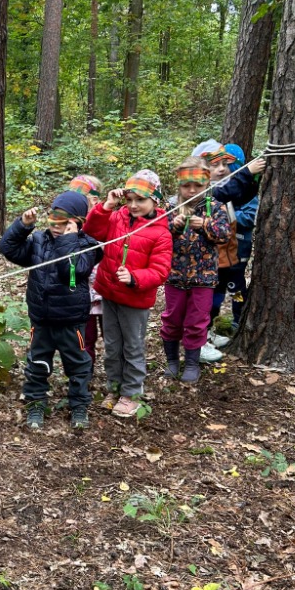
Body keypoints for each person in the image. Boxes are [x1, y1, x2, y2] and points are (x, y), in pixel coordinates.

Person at [0, 191, 101, 430]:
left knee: (77, 364)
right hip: (41, 318)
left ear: (77, 224)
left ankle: (78, 405)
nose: (57, 226)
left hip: (70, 320)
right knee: (37, 362)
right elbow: (8, 249)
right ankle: (36, 402)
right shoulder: (38, 242)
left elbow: (70, 271)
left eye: (64, 222)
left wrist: (68, 239)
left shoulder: (88, 246)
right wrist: (22, 226)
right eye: (54, 219)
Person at [84, 170, 172, 419]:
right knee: (112, 345)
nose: (133, 205)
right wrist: (106, 206)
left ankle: (131, 393)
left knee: (132, 346)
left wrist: (135, 278)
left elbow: (160, 270)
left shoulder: (160, 232)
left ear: (155, 200)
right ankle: (114, 388)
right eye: (129, 199)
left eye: (140, 200)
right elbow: (92, 231)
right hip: (109, 293)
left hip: (135, 299)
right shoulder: (117, 217)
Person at [160, 158, 231, 384]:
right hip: (174, 277)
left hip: (204, 278)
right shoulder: (170, 209)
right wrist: (175, 226)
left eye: (197, 186)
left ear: (207, 183)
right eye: (186, 185)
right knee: (172, 319)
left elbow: (224, 235)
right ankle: (172, 360)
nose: (192, 190)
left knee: (197, 320)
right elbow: (159, 238)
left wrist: (206, 226)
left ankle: (192, 362)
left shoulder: (216, 207)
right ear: (179, 185)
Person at [195, 142, 266, 362]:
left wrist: (253, 178)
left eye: (227, 164)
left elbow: (242, 197)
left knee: (228, 292)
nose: (222, 169)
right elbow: (227, 193)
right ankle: (198, 341)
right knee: (207, 300)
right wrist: (245, 173)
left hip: (231, 257)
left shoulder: (226, 189)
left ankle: (213, 331)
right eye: (216, 164)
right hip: (206, 261)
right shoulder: (204, 192)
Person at [68, 175, 104, 368]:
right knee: (85, 338)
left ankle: (117, 377)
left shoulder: (106, 220)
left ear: (94, 199)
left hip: (105, 291)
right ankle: (85, 374)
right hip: (83, 295)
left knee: (112, 336)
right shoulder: (69, 226)